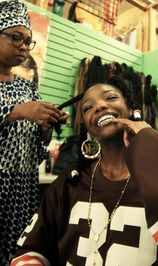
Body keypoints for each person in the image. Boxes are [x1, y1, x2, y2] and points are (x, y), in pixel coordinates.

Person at [11, 76, 158, 266]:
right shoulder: (70, 182)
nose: (99, 106)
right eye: (88, 107)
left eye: (110, 98)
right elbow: (32, 249)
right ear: (87, 125)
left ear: (132, 111)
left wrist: (149, 141)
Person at [0, 1, 68, 264]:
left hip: (22, 195)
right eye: (16, 37)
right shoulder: (24, 100)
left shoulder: (28, 89)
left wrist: (45, 128)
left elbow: (35, 150)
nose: (23, 45)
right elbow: (19, 113)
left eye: (27, 41)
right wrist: (18, 112)